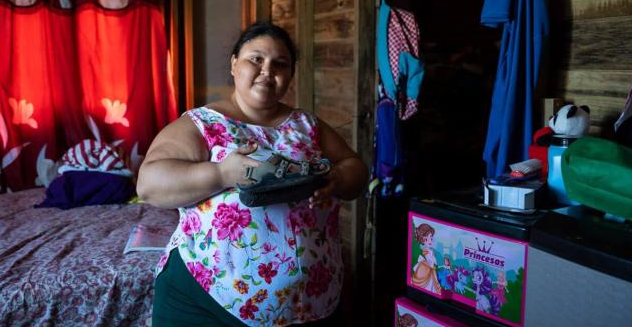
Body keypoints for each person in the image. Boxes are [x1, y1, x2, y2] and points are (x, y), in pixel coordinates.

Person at [137, 22, 368, 326]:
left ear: (290, 76)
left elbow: (356, 169)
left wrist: (336, 178)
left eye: (280, 64)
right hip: (207, 300)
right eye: (256, 59)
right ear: (234, 64)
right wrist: (221, 173)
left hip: (313, 303)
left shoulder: (306, 125)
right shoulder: (203, 123)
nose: (267, 70)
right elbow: (149, 184)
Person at [411, 223, 441, 295]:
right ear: (424, 239)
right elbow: (431, 262)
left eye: (431, 238)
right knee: (428, 285)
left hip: (430, 270)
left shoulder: (430, 251)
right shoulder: (426, 251)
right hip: (426, 270)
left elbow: (435, 262)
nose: (431, 240)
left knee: (432, 286)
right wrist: (433, 260)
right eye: (430, 237)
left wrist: (433, 259)